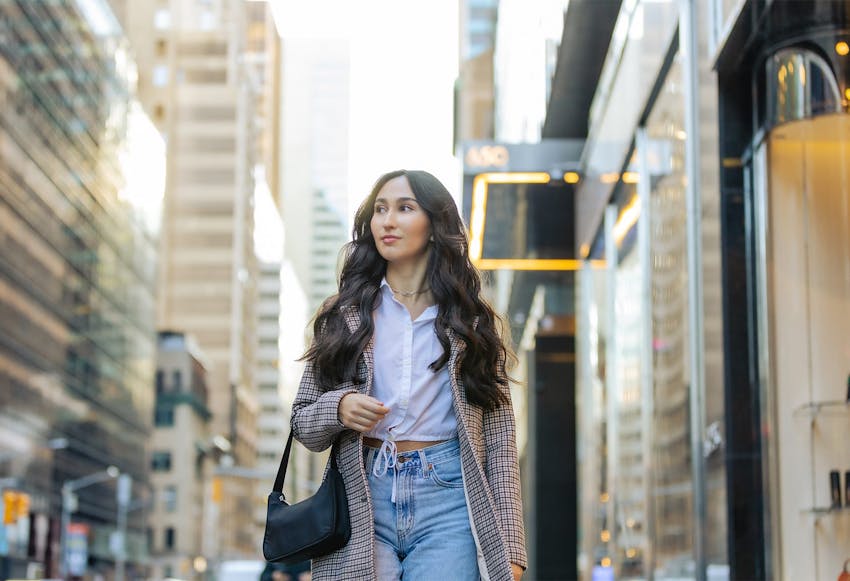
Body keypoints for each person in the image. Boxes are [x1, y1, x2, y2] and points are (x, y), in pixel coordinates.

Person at [291, 169, 526, 581]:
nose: (388, 220)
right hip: (364, 496)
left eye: (404, 208)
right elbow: (303, 424)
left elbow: (501, 441)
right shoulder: (344, 315)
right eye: (380, 209)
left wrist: (510, 548)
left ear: (434, 226)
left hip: (450, 498)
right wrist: (340, 408)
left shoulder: (471, 322)